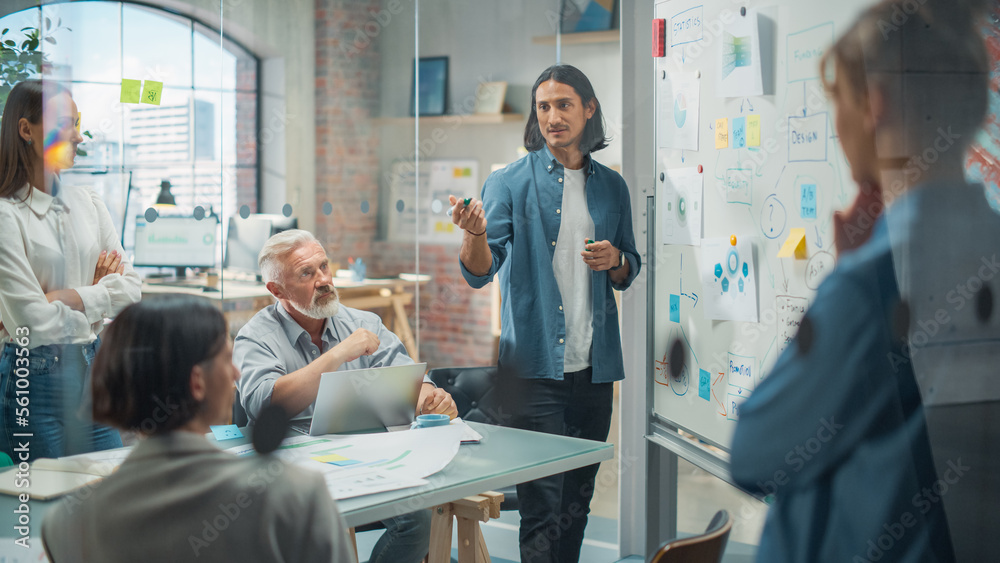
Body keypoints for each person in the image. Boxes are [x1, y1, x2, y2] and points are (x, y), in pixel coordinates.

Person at [731, 1, 997, 561]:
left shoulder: (868, 285)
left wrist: (846, 277)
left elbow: (755, 453)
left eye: (838, 102)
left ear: (873, 105)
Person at [450, 64, 640, 563]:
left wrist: (617, 261)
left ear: (588, 109)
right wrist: (473, 234)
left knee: (578, 502)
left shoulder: (613, 187)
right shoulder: (508, 182)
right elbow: (479, 271)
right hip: (533, 370)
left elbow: (631, 266)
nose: (553, 116)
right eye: (544, 107)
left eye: (564, 105)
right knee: (541, 508)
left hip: (595, 373)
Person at [40, 295, 355, 563]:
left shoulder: (65, 524)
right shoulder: (295, 496)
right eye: (227, 359)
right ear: (198, 382)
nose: (235, 373)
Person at [234, 228, 456, 563]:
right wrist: (336, 355)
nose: (323, 279)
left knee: (419, 518)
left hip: (363, 453)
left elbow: (405, 374)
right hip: (290, 460)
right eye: (306, 273)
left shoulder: (363, 322)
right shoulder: (255, 337)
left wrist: (429, 396)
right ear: (276, 289)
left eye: (324, 266)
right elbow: (266, 403)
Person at [0, 80, 140, 461]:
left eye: (77, 123)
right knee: (52, 506)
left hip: (91, 370)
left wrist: (68, 297)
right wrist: (94, 298)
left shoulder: (88, 202)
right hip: (35, 382)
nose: (78, 136)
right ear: (26, 129)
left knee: (106, 491)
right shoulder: (6, 214)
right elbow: (31, 322)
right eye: (65, 124)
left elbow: (131, 287)